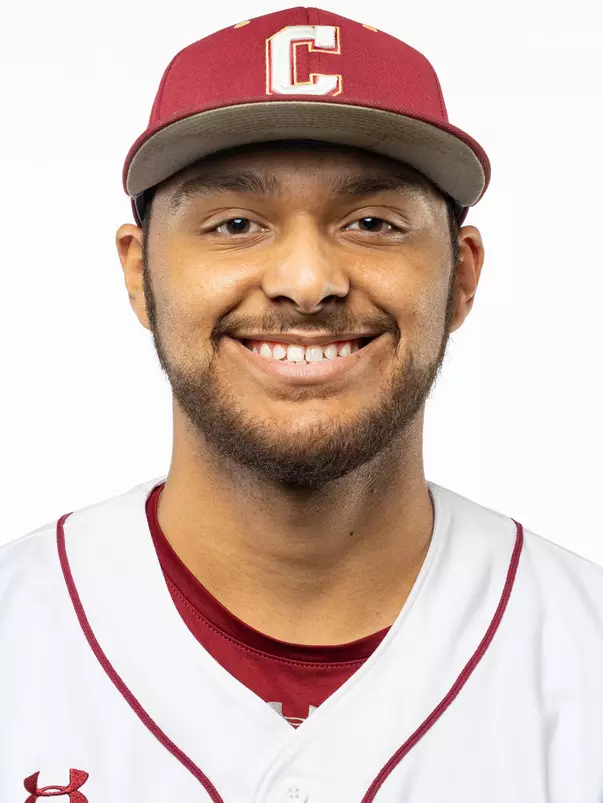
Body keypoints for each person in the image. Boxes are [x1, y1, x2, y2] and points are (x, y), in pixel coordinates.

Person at [2, 7, 603, 802]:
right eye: (236, 223)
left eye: (372, 222)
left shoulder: (582, 653)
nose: (307, 281)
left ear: (459, 275)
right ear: (138, 271)